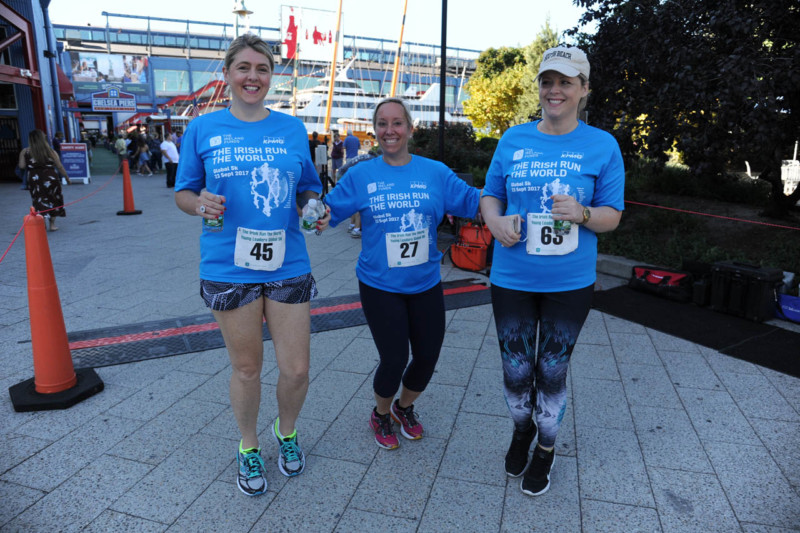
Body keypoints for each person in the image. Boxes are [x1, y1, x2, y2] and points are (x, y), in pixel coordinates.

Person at [174, 33, 326, 497]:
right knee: (246, 368)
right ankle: (248, 444)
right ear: (227, 74)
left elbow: (308, 186)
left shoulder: (291, 129)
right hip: (228, 266)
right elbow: (183, 193)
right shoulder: (203, 129)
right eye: (243, 67)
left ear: (271, 76)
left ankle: (287, 431)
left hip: (287, 262)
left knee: (296, 369)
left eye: (262, 69)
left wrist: (312, 205)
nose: (252, 77)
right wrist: (199, 204)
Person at [480, 46, 625, 497]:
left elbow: (612, 215)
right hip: (512, 277)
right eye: (547, 81)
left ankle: (545, 447)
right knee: (515, 372)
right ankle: (522, 429)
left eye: (565, 82)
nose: (554, 90)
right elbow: (490, 195)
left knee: (552, 371)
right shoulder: (513, 139)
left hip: (569, 282)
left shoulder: (602, 145)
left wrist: (583, 213)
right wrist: (494, 221)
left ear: (584, 89)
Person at [320, 98, 480, 450]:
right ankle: (380, 413)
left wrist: (515, 195)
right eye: (382, 123)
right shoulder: (361, 175)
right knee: (394, 359)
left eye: (396, 123)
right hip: (380, 284)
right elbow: (326, 212)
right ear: (375, 130)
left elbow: (474, 201)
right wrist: (307, 213)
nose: (389, 130)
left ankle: (403, 407)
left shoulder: (435, 172)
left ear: (409, 128)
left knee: (427, 357)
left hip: (425, 283)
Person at [19, 129, 70, 232]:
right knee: (54, 199)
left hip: (35, 179)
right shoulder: (51, 151)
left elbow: (22, 166)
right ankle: (52, 225)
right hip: (50, 177)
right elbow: (59, 166)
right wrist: (67, 178)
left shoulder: (25, 151)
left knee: (39, 200)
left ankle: (42, 224)